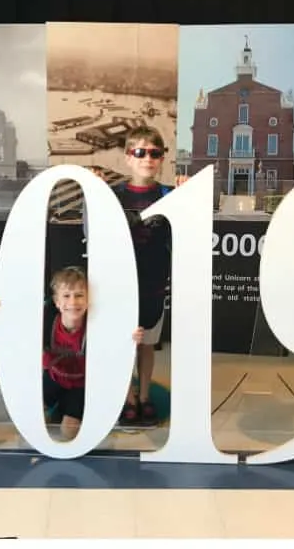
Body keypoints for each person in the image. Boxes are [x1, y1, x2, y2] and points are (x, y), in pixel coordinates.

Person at [0, 267, 143, 441]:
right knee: (31, 423)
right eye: (66, 296)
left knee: (68, 432)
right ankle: (56, 406)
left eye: (79, 295)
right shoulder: (46, 322)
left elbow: (117, 342)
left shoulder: (96, 325)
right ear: (56, 301)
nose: (73, 302)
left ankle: (68, 408)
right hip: (53, 378)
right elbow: (18, 321)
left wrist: (132, 338)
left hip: (81, 385)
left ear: (88, 299)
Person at [100, 125, 173, 426]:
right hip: (120, 282)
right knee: (124, 342)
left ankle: (144, 396)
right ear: (128, 157)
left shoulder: (170, 194)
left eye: (155, 153)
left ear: (161, 159)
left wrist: (187, 192)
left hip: (154, 282)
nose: (148, 158)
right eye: (140, 152)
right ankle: (127, 396)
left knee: (147, 344)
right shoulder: (112, 195)